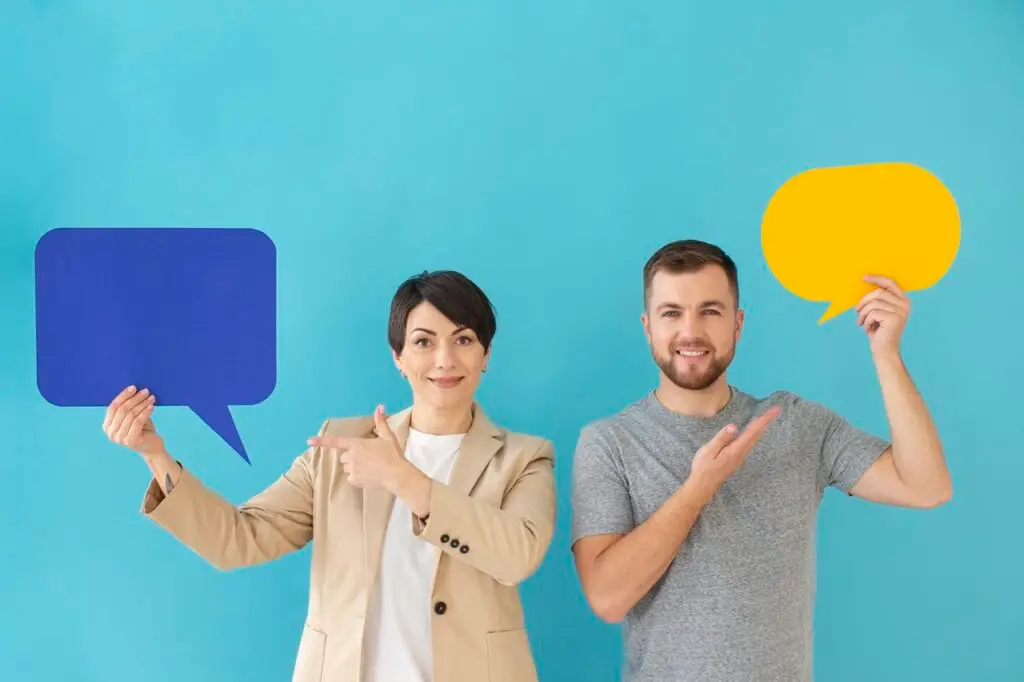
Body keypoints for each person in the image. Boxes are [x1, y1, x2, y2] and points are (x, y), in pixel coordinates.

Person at [102, 270, 557, 682]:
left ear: (486, 354)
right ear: (397, 357)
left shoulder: (524, 458)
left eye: (463, 340)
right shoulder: (338, 446)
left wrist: (403, 478)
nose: (444, 359)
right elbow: (238, 539)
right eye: (423, 341)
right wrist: (155, 455)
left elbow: (517, 556)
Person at [570, 239, 952, 682]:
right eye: (671, 312)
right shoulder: (610, 442)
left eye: (710, 311)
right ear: (647, 327)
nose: (690, 331)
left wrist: (886, 354)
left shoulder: (794, 423)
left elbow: (926, 486)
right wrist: (698, 490)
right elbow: (607, 598)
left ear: (737, 324)